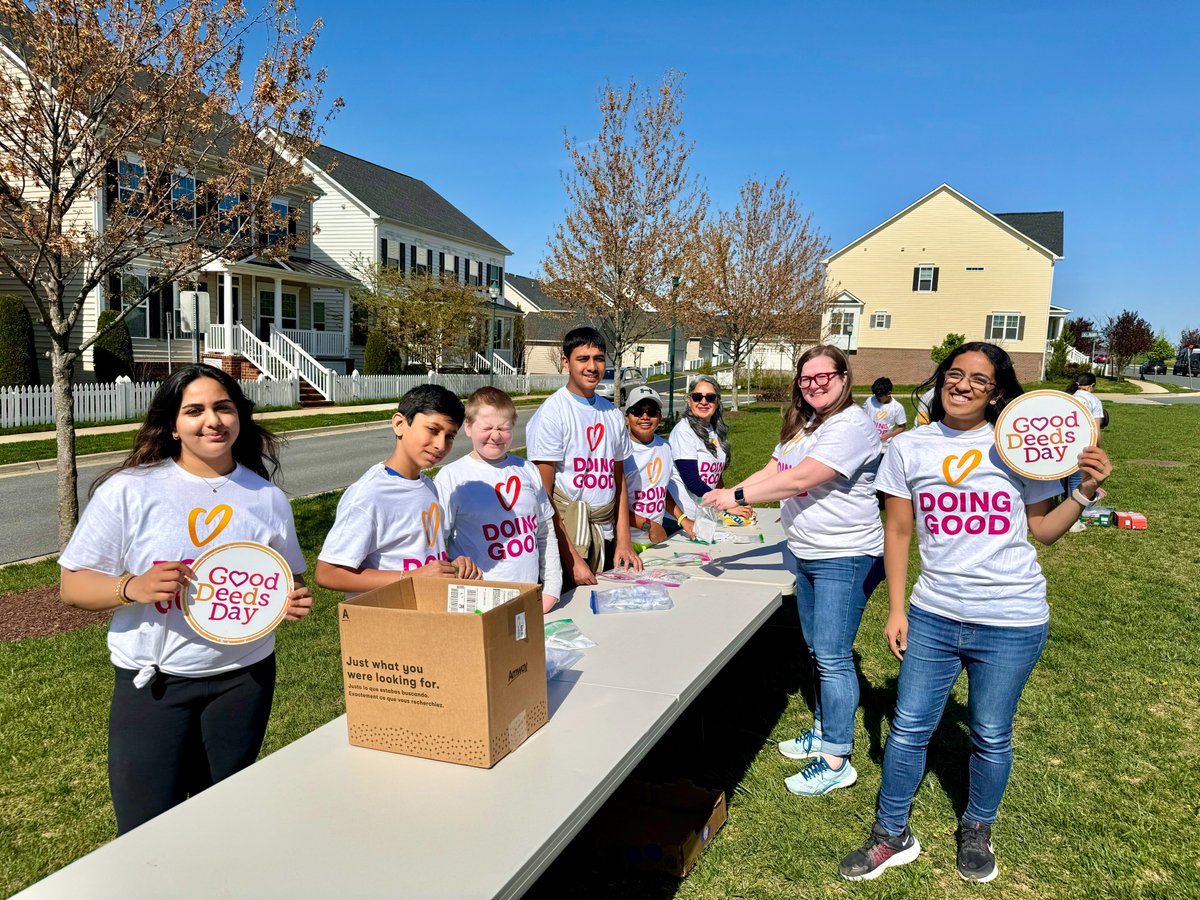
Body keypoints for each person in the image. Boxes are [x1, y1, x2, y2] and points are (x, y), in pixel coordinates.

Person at [838, 342, 1112, 884]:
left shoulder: (1017, 449)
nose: (961, 385)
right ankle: (890, 833)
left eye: (979, 380)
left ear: (998, 394)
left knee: (989, 732)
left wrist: (1082, 493)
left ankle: (977, 828)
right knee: (909, 727)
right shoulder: (909, 448)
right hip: (934, 616)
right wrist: (897, 610)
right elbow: (898, 531)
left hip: (1011, 620)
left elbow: (1044, 532)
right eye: (954, 374)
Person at [58, 364, 314, 835]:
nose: (212, 420)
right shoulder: (130, 490)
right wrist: (129, 587)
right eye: (194, 410)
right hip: (155, 686)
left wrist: (291, 600)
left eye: (223, 407)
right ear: (172, 425)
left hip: (246, 681)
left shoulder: (267, 498)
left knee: (220, 822)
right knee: (146, 829)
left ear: (241, 417)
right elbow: (72, 586)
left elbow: (287, 578)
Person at [703, 345, 884, 796]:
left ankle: (837, 757)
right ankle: (824, 732)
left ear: (844, 377)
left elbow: (803, 478)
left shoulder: (851, 425)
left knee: (834, 656)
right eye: (806, 378)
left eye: (825, 375)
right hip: (807, 550)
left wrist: (739, 499)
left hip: (845, 554)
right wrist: (736, 487)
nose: (815, 383)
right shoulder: (806, 423)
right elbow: (776, 467)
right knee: (816, 650)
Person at [316, 384, 480, 598]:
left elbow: (419, 558)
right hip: (389, 623)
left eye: (450, 436)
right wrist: (411, 577)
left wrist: (450, 565)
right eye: (432, 430)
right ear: (399, 424)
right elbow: (328, 573)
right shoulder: (369, 495)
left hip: (426, 618)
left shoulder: (427, 486)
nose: (441, 445)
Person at [525, 327, 641, 588]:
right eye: (583, 359)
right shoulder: (553, 414)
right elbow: (543, 496)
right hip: (570, 538)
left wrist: (624, 541)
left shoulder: (611, 414)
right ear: (566, 362)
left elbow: (618, 483)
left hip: (606, 535)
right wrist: (572, 559)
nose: (592, 367)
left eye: (599, 358)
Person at [434, 387, 562, 613]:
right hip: (478, 601)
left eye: (504, 428)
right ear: (469, 427)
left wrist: (552, 588)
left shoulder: (527, 469)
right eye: (487, 427)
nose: (496, 435)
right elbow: (435, 545)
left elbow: (544, 531)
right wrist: (455, 568)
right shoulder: (451, 477)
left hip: (528, 595)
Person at [670, 377, 752, 521]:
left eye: (710, 397)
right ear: (689, 401)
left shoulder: (713, 430)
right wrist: (726, 505)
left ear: (717, 402)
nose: (703, 402)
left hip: (705, 514)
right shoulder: (683, 431)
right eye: (697, 397)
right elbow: (692, 481)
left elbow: (716, 476)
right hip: (683, 519)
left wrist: (733, 500)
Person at [622, 385, 695, 543]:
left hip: (657, 540)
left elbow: (661, 490)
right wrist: (647, 525)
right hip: (628, 543)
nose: (645, 417)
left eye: (652, 412)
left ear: (660, 417)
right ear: (626, 417)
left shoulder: (665, 447)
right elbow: (612, 505)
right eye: (637, 411)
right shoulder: (620, 451)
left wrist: (683, 519)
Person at [1064, 373, 1105, 531]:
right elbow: (1096, 429)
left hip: (1060, 444)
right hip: (1080, 445)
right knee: (1076, 481)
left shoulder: (1067, 397)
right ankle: (1072, 521)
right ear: (1092, 386)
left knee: (1061, 481)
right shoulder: (1094, 400)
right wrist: (1098, 448)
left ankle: (1056, 513)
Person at [863, 377, 907, 450]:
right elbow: (862, 416)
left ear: (888, 393)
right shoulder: (870, 400)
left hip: (885, 446)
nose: (876, 398)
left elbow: (902, 427)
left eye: (879, 397)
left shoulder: (897, 407)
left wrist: (888, 435)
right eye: (876, 396)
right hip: (868, 443)